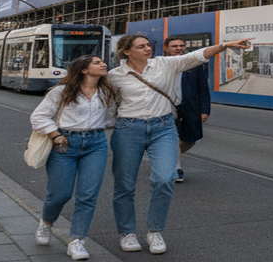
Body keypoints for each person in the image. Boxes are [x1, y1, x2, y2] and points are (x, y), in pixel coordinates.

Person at [110, 33, 252, 255]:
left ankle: (154, 231)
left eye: (148, 45)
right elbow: (101, 101)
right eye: (141, 46)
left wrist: (224, 45)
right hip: (128, 129)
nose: (147, 49)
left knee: (165, 178)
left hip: (163, 127)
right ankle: (127, 232)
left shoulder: (165, 64)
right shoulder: (114, 75)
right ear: (126, 51)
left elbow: (198, 55)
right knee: (125, 185)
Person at [30, 55, 115, 261]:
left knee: (88, 195)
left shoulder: (106, 92)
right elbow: (39, 116)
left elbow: (111, 118)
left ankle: (77, 241)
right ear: (83, 70)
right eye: (97, 62)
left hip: (96, 144)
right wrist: (56, 135)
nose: (103, 64)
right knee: (60, 194)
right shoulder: (61, 91)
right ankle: (46, 222)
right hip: (64, 144)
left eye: (102, 62)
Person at [162, 36, 211, 182]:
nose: (178, 48)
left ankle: (164, 156)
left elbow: (203, 88)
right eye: (174, 46)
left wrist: (205, 109)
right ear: (166, 48)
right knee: (174, 137)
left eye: (181, 45)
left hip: (189, 106)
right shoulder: (160, 64)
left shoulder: (193, 64)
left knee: (191, 139)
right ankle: (176, 168)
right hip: (167, 107)